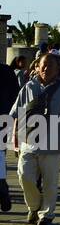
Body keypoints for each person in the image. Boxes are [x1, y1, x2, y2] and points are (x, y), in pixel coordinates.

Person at [10, 53, 60, 225]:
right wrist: (14, 139)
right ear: (37, 66)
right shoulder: (28, 87)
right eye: (43, 64)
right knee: (24, 176)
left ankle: (46, 215)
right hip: (28, 141)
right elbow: (17, 115)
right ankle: (34, 206)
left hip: (53, 142)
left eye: (50, 65)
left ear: (58, 69)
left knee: (50, 182)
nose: (46, 68)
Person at [0, 56, 19, 212]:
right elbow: (15, 97)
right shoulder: (7, 71)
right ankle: (2, 189)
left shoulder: (6, 71)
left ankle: (2, 190)